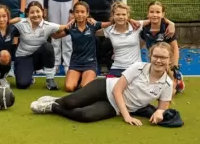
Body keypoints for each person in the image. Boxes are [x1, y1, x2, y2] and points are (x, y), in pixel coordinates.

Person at [30, 42, 175, 126]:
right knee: (71, 102)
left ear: (170, 59)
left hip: (114, 107)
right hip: (105, 88)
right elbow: (117, 90)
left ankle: (53, 106)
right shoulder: (138, 67)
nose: (158, 60)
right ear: (150, 56)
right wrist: (127, 116)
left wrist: (159, 112)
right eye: (156, 56)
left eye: (163, 57)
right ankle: (58, 100)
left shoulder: (167, 84)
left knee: (85, 116)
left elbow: (162, 108)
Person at [13, 1, 71, 90]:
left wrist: (76, 20)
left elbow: (66, 27)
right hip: (23, 57)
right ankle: (28, 76)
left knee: (47, 46)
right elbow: (4, 22)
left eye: (38, 11)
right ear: (27, 13)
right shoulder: (21, 23)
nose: (35, 15)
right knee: (22, 84)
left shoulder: (48, 25)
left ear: (42, 12)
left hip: (39, 58)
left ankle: (50, 79)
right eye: (32, 12)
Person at [52, 2, 102, 92]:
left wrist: (130, 20)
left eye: (82, 12)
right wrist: (65, 26)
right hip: (75, 63)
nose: (80, 14)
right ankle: (79, 78)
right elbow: (55, 36)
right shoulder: (71, 27)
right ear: (73, 14)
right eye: (77, 12)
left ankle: (88, 77)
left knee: (85, 88)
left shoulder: (93, 25)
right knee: (69, 88)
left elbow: (112, 23)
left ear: (87, 13)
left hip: (90, 63)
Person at [140, 1, 183, 93]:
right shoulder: (144, 28)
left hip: (167, 61)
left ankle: (177, 78)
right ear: (148, 13)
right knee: (150, 88)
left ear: (163, 14)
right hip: (154, 59)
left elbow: (175, 48)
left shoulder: (168, 28)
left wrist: (174, 66)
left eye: (158, 12)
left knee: (171, 92)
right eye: (151, 12)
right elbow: (141, 42)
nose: (154, 15)